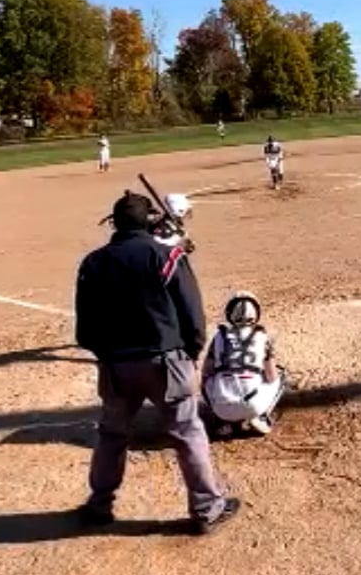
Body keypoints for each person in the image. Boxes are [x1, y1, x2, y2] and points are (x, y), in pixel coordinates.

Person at [75, 192, 239, 534]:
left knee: (112, 435)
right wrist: (191, 353)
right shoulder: (168, 256)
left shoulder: (93, 263)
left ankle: (99, 504)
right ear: (149, 221)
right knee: (187, 433)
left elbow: (85, 331)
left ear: (114, 223)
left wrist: (108, 356)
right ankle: (206, 509)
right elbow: (192, 314)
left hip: (116, 366)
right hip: (166, 361)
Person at [202, 292, 286, 438]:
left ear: (229, 312)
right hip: (253, 405)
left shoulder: (219, 336)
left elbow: (207, 371)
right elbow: (272, 376)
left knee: (206, 380)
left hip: (223, 407)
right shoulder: (262, 336)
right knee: (280, 377)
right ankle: (261, 417)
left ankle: (222, 422)